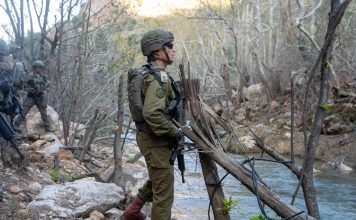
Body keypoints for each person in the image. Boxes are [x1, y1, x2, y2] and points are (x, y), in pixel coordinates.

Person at [122, 28, 182, 220]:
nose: (174, 49)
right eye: (170, 46)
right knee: (164, 196)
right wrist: (175, 132)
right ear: (157, 51)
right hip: (155, 140)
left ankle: (131, 212)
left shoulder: (152, 74)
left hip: (152, 139)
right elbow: (152, 113)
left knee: (160, 179)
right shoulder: (158, 79)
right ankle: (131, 213)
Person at [13, 60, 53, 133]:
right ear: (34, 68)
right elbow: (24, 85)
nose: (38, 69)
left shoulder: (44, 77)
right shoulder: (29, 76)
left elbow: (47, 85)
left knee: (44, 113)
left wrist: (45, 91)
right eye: (37, 68)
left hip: (40, 97)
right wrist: (30, 89)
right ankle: (16, 125)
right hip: (31, 97)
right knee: (23, 111)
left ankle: (47, 127)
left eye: (40, 68)